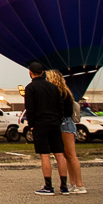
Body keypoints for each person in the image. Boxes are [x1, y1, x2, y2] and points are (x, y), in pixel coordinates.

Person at [24, 62, 71, 195]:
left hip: (40, 124)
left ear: (30, 73)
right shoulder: (53, 88)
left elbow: (30, 108)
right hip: (54, 123)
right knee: (59, 154)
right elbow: (60, 106)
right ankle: (64, 186)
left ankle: (48, 186)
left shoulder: (30, 88)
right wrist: (58, 119)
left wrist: (31, 124)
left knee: (45, 155)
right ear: (43, 72)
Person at [46, 70, 87, 194]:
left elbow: (65, 111)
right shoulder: (65, 92)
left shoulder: (61, 93)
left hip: (65, 123)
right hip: (63, 123)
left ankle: (80, 185)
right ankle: (72, 183)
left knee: (71, 155)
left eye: (48, 78)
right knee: (66, 156)